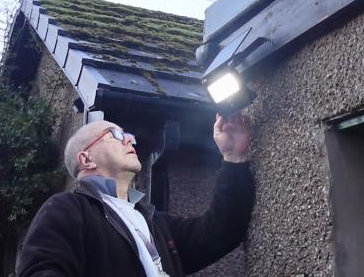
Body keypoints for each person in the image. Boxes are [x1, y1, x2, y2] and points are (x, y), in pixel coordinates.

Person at [16, 113, 255, 277]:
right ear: (85, 159)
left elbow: (220, 232)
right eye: (117, 135)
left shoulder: (155, 223)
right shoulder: (67, 209)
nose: (130, 139)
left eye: (129, 135)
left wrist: (233, 158)